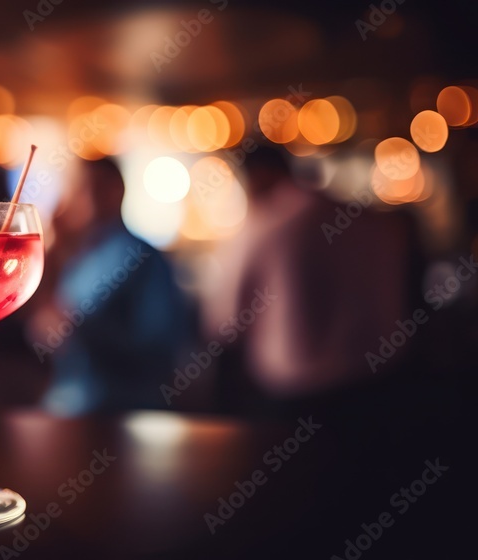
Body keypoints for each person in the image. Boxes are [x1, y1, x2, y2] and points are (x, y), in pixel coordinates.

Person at [203, 145, 424, 409]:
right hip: (383, 382)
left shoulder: (263, 225)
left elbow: (223, 323)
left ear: (254, 178)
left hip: (297, 392)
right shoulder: (369, 221)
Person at [31, 157, 192, 415]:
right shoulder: (80, 254)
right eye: (76, 189)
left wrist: (76, 331)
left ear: (117, 190)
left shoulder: (141, 256)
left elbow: (159, 343)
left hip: (120, 409)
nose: (78, 199)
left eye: (88, 188)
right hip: (69, 406)